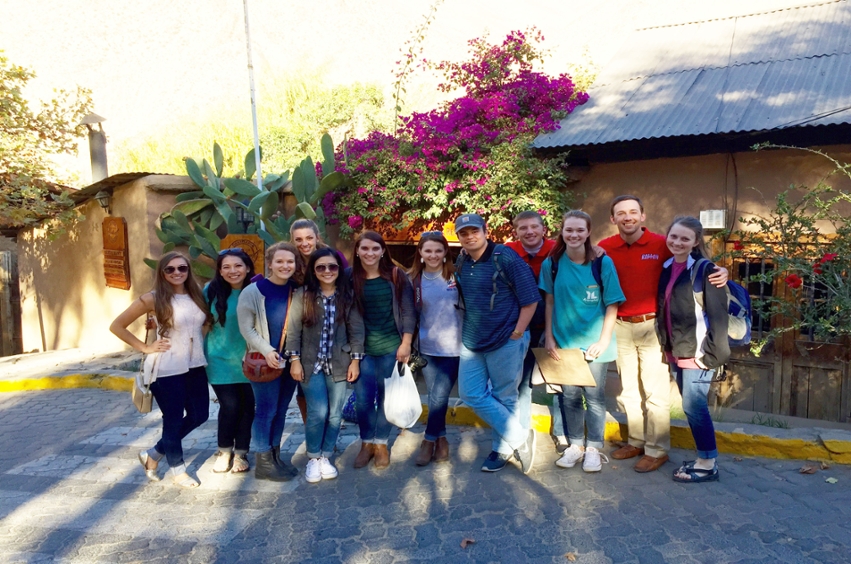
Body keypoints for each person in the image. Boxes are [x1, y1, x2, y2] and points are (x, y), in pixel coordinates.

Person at [599, 195, 727, 473]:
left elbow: (694, 262)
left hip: (653, 327)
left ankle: (657, 450)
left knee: (655, 392)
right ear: (613, 219)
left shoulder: (662, 244)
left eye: (633, 212)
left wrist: (723, 271)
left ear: (643, 216)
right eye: (621, 213)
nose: (627, 217)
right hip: (620, 325)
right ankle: (636, 440)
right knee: (629, 390)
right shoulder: (605, 248)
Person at [110, 252, 211, 488]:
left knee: (200, 415)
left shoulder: (196, 295)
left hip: (195, 365)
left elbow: (201, 326)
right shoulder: (152, 299)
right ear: (162, 273)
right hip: (166, 368)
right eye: (170, 269)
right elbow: (116, 326)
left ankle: (153, 454)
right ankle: (178, 471)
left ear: (188, 271)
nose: (177, 273)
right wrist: (145, 347)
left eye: (182, 268)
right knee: (173, 421)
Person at [453, 213, 540, 474]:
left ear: (485, 230)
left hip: (506, 339)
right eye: (464, 233)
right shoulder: (462, 260)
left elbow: (530, 299)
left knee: (505, 396)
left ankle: (501, 449)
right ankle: (521, 437)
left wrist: (518, 332)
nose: (470, 236)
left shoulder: (505, 257)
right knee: (470, 393)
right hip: (472, 340)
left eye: (474, 231)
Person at [540, 211, 625, 472]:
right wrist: (550, 337)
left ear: (588, 232)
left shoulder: (602, 263)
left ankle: (593, 448)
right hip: (565, 343)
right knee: (570, 397)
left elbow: (612, 304)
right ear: (562, 232)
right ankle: (575, 446)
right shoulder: (552, 263)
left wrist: (603, 340)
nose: (574, 235)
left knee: (595, 398)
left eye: (579, 230)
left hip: (595, 344)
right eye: (569, 230)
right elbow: (549, 301)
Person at [657, 216, 729, 483]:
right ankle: (704, 456)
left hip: (698, 353)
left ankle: (708, 463)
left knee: (694, 406)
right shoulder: (667, 267)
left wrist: (711, 355)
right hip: (676, 348)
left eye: (685, 238)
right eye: (674, 236)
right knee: (691, 406)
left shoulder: (706, 270)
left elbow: (719, 316)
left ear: (696, 242)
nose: (677, 242)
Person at [286, 248, 365, 483]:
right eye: (321, 267)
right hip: (311, 364)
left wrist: (356, 361)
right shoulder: (303, 295)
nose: (327, 271)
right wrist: (294, 360)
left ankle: (326, 456)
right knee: (318, 412)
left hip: (340, 363)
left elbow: (357, 330)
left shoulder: (347, 296)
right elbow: (293, 331)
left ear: (339, 270)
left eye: (332, 266)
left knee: (335, 414)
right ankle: (313, 457)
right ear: (314, 270)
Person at [349, 231, 416, 470]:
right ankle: (366, 443)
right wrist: (353, 356)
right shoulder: (350, 277)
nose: (370, 253)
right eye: (365, 249)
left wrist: (406, 343)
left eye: (375, 249)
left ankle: (381, 444)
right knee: (364, 401)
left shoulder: (396, 276)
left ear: (382, 251)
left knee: (389, 400)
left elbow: (408, 311)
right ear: (357, 251)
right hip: (363, 351)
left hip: (392, 349)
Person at [237, 242, 301, 482]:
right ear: (270, 263)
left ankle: (275, 456)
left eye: (290, 261)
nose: (285, 266)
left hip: (290, 361)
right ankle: (263, 461)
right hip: (264, 362)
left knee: (282, 410)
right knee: (266, 410)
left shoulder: (296, 290)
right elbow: (247, 329)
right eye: (280, 261)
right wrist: (268, 351)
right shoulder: (253, 291)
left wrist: (294, 357)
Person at [504, 211, 560, 453]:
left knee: (559, 383)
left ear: (543, 229)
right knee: (521, 384)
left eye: (534, 227)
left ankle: (562, 434)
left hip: (555, 328)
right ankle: (521, 433)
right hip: (521, 329)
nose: (529, 232)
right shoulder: (507, 251)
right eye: (523, 228)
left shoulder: (559, 249)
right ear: (516, 231)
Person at [408, 231, 462, 466]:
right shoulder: (413, 280)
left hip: (455, 347)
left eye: (438, 250)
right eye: (428, 250)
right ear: (420, 253)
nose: (433, 255)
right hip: (427, 347)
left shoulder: (456, 276)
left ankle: (428, 440)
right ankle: (441, 440)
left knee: (439, 396)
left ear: (445, 253)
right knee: (435, 396)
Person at [289, 218, 349, 422]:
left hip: (332, 328)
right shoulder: (292, 261)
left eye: (308, 237)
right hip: (304, 330)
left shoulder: (331, 257)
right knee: (304, 387)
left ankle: (329, 426)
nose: (304, 243)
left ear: (317, 237)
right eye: (298, 239)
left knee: (332, 384)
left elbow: (345, 281)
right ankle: (312, 427)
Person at [204, 248, 256, 474]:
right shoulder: (210, 291)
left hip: (251, 360)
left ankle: (241, 453)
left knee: (247, 407)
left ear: (247, 268)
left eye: (237, 266)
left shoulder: (256, 290)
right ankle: (224, 450)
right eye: (226, 266)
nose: (232, 271)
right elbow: (199, 321)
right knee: (230, 405)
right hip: (219, 359)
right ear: (220, 270)